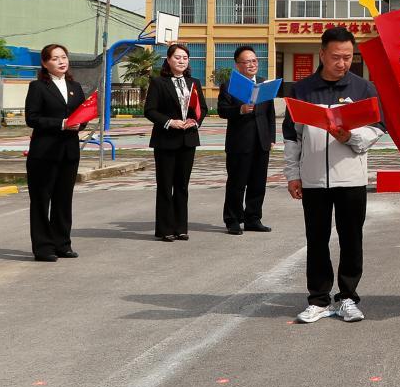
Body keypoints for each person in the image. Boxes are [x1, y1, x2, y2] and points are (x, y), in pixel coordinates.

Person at [284, 27, 386, 324]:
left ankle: (348, 298)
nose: (342, 63)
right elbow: (292, 137)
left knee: (351, 239)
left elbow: (377, 129)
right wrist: (293, 174)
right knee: (316, 239)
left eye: (348, 57)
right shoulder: (302, 90)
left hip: (351, 179)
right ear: (322, 54)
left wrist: (350, 137)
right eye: (336, 57)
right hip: (313, 179)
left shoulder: (363, 89)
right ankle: (318, 300)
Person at [23, 43, 89, 261]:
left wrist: (80, 124)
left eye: (64, 57)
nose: (61, 62)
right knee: (42, 200)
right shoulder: (38, 87)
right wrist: (61, 124)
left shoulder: (75, 86)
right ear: (45, 63)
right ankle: (43, 247)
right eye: (55, 58)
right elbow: (32, 118)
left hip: (69, 152)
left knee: (63, 199)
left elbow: (83, 115)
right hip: (44, 152)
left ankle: (62, 244)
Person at [144, 43, 208, 242]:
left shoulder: (194, 82)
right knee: (165, 185)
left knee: (182, 186)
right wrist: (170, 122)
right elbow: (150, 110)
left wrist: (194, 122)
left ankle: (181, 227)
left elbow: (202, 108)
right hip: (165, 140)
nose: (181, 61)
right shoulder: (158, 82)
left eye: (185, 58)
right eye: (177, 57)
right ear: (168, 60)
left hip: (188, 140)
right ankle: (165, 229)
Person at [216, 45, 276, 235]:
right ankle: (233, 220)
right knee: (237, 184)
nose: (252, 64)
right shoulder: (229, 85)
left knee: (258, 183)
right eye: (247, 61)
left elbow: (270, 113)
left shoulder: (264, 83)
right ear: (238, 65)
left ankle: (253, 219)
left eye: (254, 61)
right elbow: (222, 110)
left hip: (261, 141)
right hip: (240, 142)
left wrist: (271, 137)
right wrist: (240, 110)